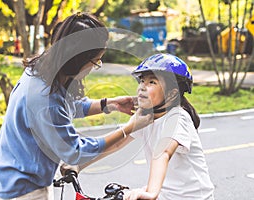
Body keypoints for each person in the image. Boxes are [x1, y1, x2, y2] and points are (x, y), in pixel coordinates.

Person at [0, 12, 153, 200]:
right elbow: (74, 152)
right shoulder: (44, 97)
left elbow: (64, 106)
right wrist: (128, 128)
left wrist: (109, 104)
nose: (96, 66)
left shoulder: (43, 70)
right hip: (22, 192)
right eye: (96, 61)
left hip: (11, 180)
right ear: (78, 59)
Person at [73, 53, 214, 200]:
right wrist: (78, 165)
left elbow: (163, 152)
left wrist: (151, 193)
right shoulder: (146, 117)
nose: (142, 87)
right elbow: (116, 144)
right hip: (166, 195)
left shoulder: (177, 117)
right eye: (141, 81)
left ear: (172, 94)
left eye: (152, 82)